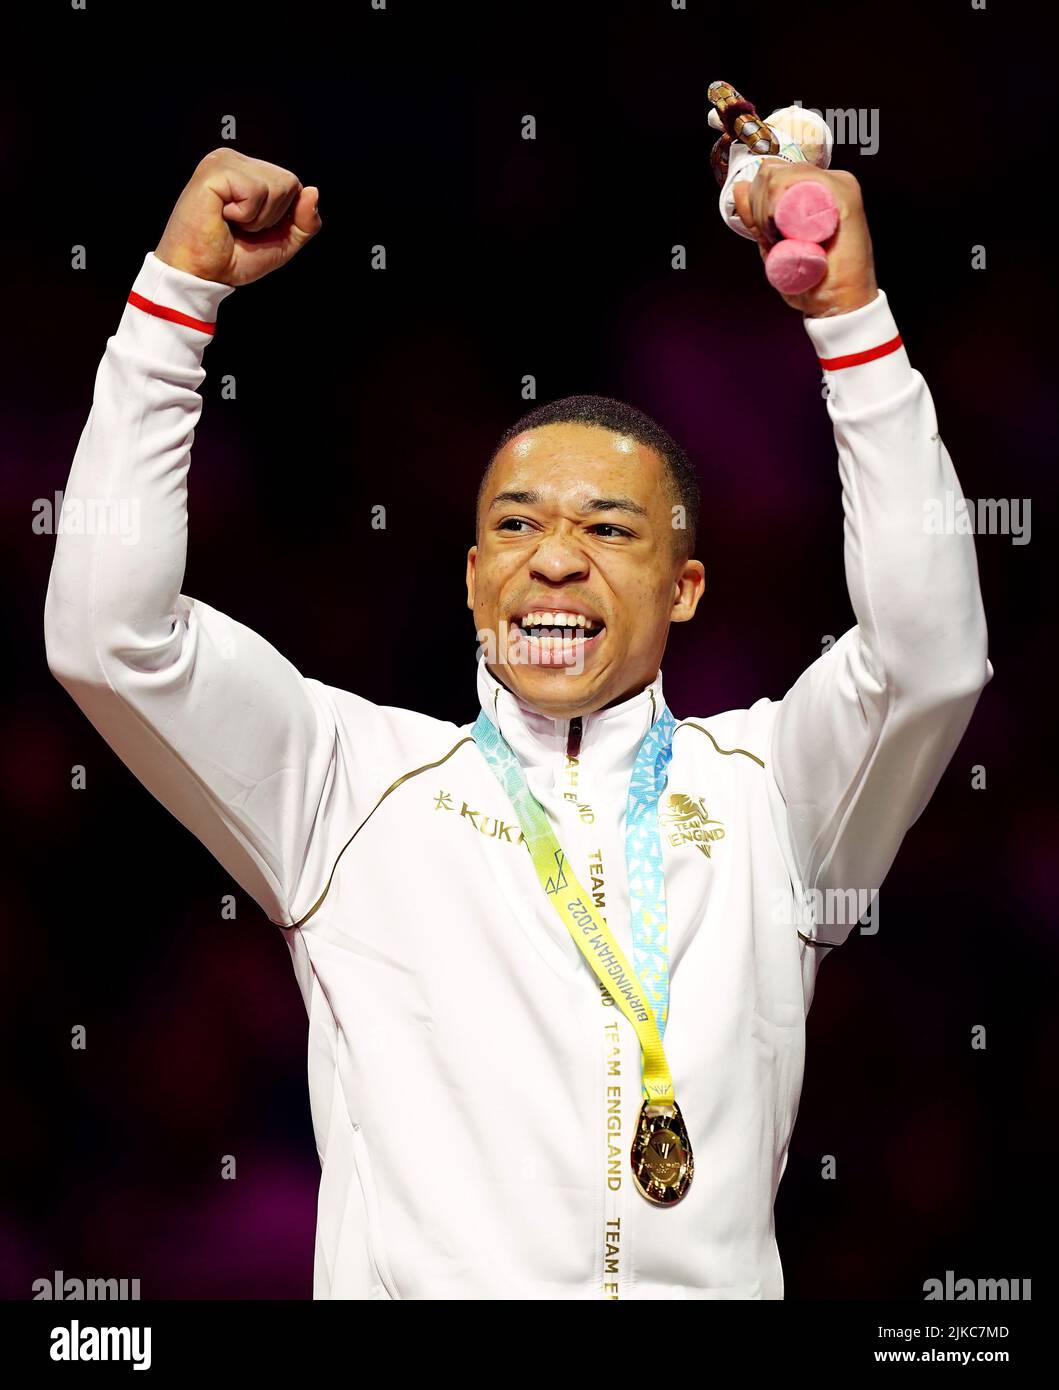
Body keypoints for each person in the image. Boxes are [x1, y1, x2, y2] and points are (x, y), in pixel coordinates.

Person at [44, 147, 991, 1300]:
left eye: (609, 530)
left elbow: (931, 656)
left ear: (685, 586)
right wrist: (173, 306)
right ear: (473, 574)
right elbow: (110, 636)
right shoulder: (347, 786)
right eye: (517, 525)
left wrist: (853, 328)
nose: (554, 558)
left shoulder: (770, 796)